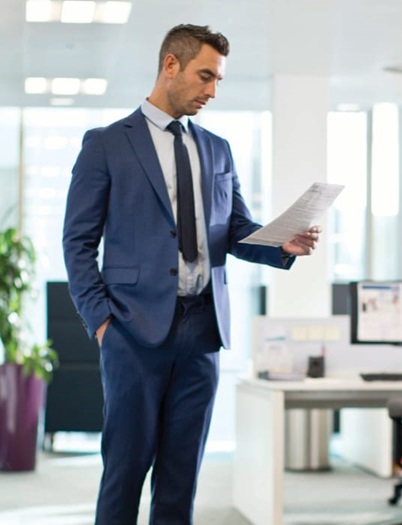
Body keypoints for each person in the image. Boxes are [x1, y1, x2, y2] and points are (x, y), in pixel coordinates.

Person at [61, 24, 320, 525]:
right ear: (170, 65)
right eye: (205, 76)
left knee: (181, 482)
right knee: (124, 474)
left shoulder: (217, 149)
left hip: (203, 332)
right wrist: (102, 324)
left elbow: (235, 229)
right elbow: (77, 243)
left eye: (219, 80)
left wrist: (279, 244)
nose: (212, 91)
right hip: (132, 332)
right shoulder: (107, 144)